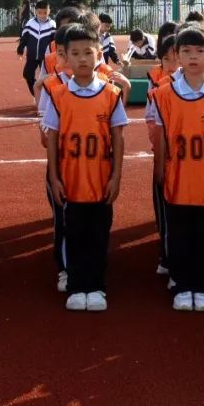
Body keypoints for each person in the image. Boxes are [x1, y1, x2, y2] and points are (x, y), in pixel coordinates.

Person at [44, 25, 126, 312]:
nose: (81, 59)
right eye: (75, 53)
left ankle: (97, 286)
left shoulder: (111, 94)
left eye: (87, 53)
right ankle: (78, 285)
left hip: (101, 179)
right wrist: (53, 176)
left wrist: (116, 176)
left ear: (99, 55)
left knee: (99, 236)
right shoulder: (58, 95)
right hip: (71, 180)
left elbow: (118, 137)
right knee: (75, 235)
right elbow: (52, 139)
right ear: (64, 58)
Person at [151, 26, 204, 312]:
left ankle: (203, 286)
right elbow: (161, 136)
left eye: (200, 51)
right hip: (177, 177)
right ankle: (182, 284)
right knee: (180, 234)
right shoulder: (164, 94)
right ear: (177, 56)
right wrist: (160, 170)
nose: (193, 56)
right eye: (186, 51)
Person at [17, 0, 56, 94]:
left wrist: (54, 54)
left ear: (49, 11)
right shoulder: (30, 23)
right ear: (35, 12)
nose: (42, 15)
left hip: (46, 57)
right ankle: (36, 92)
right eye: (39, 13)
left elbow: (54, 42)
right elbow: (24, 37)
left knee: (49, 77)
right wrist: (20, 48)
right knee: (27, 74)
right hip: (32, 55)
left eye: (45, 12)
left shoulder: (52, 24)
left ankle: (49, 95)